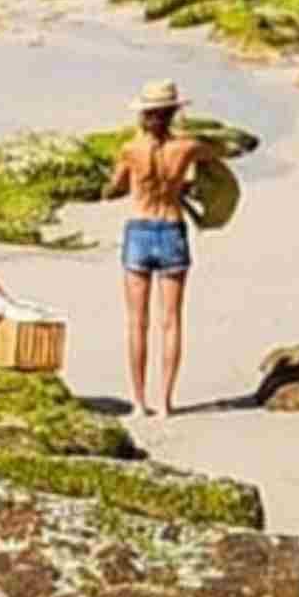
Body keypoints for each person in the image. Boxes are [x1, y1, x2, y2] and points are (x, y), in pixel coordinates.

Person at [102, 79, 215, 417]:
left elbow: (115, 189)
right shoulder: (188, 148)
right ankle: (166, 402)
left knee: (137, 322)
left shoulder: (130, 149)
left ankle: (139, 402)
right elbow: (214, 166)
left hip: (139, 229)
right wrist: (187, 184)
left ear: (144, 115)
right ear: (173, 113)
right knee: (171, 322)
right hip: (172, 228)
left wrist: (113, 185)